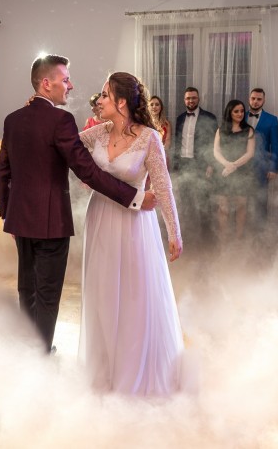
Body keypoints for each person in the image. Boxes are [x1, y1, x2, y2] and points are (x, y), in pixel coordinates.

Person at [0, 55, 156, 354]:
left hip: (20, 220)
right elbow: (88, 172)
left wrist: (8, 214)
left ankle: (27, 352)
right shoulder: (61, 120)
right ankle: (41, 354)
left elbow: (3, 171)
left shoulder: (13, 119)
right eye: (66, 79)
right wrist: (134, 197)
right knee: (47, 294)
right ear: (47, 83)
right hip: (51, 222)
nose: (71, 85)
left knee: (27, 289)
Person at [79, 72, 183, 395]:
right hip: (99, 220)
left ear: (122, 102)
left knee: (133, 297)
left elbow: (163, 187)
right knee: (103, 294)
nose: (99, 100)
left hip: (134, 226)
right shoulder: (97, 133)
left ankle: (133, 373)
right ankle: (104, 370)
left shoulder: (149, 138)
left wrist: (174, 232)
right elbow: (63, 144)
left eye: (104, 95)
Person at [172, 87, 218, 243]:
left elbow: (214, 144)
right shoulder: (180, 118)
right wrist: (176, 165)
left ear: (199, 99)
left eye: (193, 98)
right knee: (185, 202)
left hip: (201, 165)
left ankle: (207, 239)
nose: (190, 101)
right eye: (188, 98)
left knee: (204, 201)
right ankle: (188, 236)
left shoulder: (209, 117)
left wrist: (211, 164)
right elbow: (177, 142)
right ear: (184, 100)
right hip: (183, 164)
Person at [212, 100, 255, 241]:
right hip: (223, 172)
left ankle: (238, 239)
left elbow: (250, 153)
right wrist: (227, 164)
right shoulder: (221, 130)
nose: (240, 114)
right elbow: (216, 151)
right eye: (236, 111)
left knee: (241, 207)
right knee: (223, 207)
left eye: (242, 111)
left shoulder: (249, 130)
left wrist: (233, 166)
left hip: (242, 172)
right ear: (229, 112)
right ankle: (224, 239)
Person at [246, 88, 278, 224]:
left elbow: (275, 145)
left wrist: (273, 168)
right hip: (241, 166)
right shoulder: (240, 115)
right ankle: (240, 231)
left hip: (261, 167)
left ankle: (261, 233)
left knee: (260, 201)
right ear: (249, 99)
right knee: (240, 200)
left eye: (259, 99)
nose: (255, 101)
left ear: (264, 101)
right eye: (253, 98)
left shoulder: (272, 119)